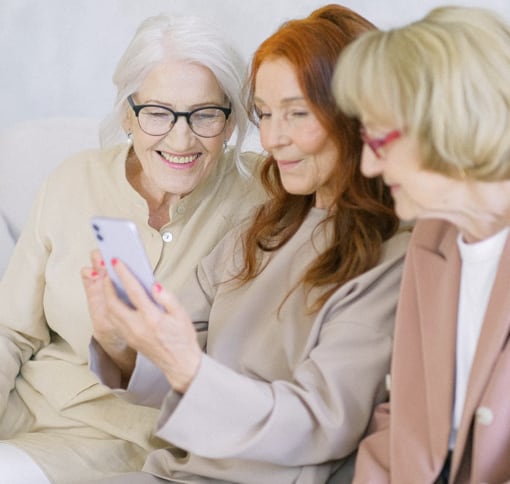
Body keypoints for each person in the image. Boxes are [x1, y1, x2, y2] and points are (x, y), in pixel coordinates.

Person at [83, 5, 410, 483]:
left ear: (357, 113)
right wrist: (120, 339)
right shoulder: (263, 227)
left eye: (297, 113)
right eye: (264, 114)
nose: (273, 139)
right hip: (176, 472)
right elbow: (172, 363)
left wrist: (186, 365)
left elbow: (321, 423)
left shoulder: (395, 256)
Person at [0, 13, 266, 484]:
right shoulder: (73, 179)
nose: (181, 139)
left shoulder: (263, 198)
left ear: (230, 121)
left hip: (136, 447)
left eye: (205, 113)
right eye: (158, 113)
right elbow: (10, 332)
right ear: (128, 114)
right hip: (24, 414)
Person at [333, 5, 510, 483]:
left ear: (450, 121)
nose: (368, 166)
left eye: (379, 139)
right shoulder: (433, 237)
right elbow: (404, 416)